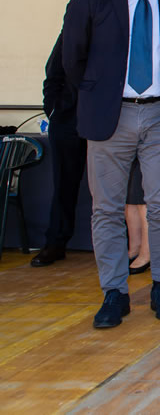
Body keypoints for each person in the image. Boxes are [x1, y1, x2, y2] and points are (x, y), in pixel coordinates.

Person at [61, 0, 160, 328]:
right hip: (109, 115)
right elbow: (72, 57)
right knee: (107, 209)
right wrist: (99, 95)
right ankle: (114, 291)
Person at [31, 31, 87, 267]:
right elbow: (52, 72)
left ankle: (123, 246)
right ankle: (55, 242)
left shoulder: (120, 29)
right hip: (68, 118)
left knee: (114, 187)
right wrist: (54, 109)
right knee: (64, 183)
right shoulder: (72, 31)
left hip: (109, 118)